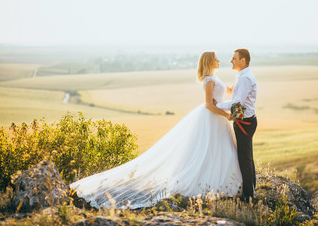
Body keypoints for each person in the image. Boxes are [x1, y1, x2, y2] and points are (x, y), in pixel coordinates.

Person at [70, 51, 242, 209]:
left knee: (218, 150)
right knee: (205, 150)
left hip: (218, 119)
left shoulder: (215, 77)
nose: (219, 61)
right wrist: (226, 115)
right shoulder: (209, 80)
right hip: (212, 118)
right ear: (209, 62)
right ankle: (206, 183)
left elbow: (229, 91)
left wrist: (240, 77)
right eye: (216, 59)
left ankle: (221, 183)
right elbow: (209, 105)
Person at [216, 49, 258, 202]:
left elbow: (238, 102)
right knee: (247, 156)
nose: (231, 61)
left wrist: (218, 105)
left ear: (243, 60)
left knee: (244, 158)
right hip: (246, 120)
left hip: (245, 123)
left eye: (234, 58)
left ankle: (248, 197)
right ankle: (252, 187)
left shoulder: (245, 78)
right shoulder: (242, 76)